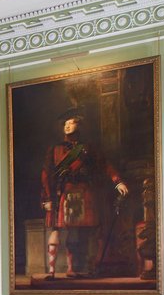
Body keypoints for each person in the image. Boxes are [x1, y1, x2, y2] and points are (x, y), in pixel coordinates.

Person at [40, 112, 128, 279]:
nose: (67, 125)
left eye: (71, 122)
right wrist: (46, 199)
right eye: (65, 122)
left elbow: (105, 165)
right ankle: (51, 272)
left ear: (78, 125)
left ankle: (76, 268)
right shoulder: (55, 149)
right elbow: (46, 174)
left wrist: (118, 181)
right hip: (63, 193)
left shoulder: (88, 148)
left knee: (83, 233)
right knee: (56, 229)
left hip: (84, 192)